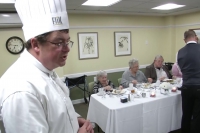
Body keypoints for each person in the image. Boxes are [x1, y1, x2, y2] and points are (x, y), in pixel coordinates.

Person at [0, 0, 93, 133]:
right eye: (59, 42)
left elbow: (55, 112)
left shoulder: (47, 71)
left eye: (67, 41)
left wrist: (74, 120)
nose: (67, 49)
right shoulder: (21, 91)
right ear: (36, 44)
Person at [177, 29, 200, 133]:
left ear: (184, 40)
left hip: (186, 86)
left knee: (186, 114)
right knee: (197, 116)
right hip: (199, 86)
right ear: (195, 37)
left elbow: (179, 68)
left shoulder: (180, 52)